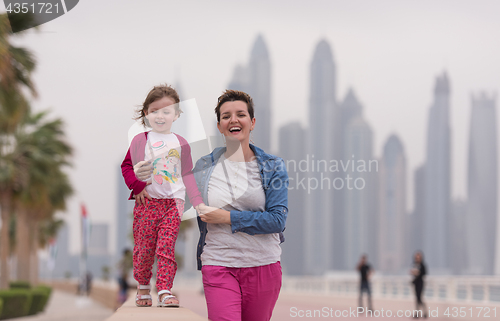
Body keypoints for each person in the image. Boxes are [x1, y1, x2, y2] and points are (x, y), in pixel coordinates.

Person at [193, 89, 288, 321]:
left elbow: (277, 220)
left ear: (252, 122)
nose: (233, 120)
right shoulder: (204, 166)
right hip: (218, 262)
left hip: (263, 265)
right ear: (219, 126)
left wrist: (227, 218)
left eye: (240, 114)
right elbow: (175, 194)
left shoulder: (273, 166)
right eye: (226, 116)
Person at [121, 84, 204, 307]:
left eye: (167, 111)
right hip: (147, 203)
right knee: (144, 249)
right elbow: (127, 167)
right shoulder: (140, 141)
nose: (160, 116)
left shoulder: (182, 144)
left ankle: (165, 290)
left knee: (166, 247)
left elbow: (187, 174)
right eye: (155, 111)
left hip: (172, 204)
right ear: (146, 114)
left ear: (176, 115)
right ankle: (143, 287)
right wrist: (137, 186)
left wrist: (196, 202)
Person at [410, 251, 427, 318]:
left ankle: (424, 312)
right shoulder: (414, 264)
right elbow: (412, 272)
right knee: (417, 298)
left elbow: (424, 273)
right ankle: (417, 313)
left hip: (420, 283)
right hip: (415, 283)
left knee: (419, 298)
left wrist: (418, 273)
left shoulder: (422, 265)